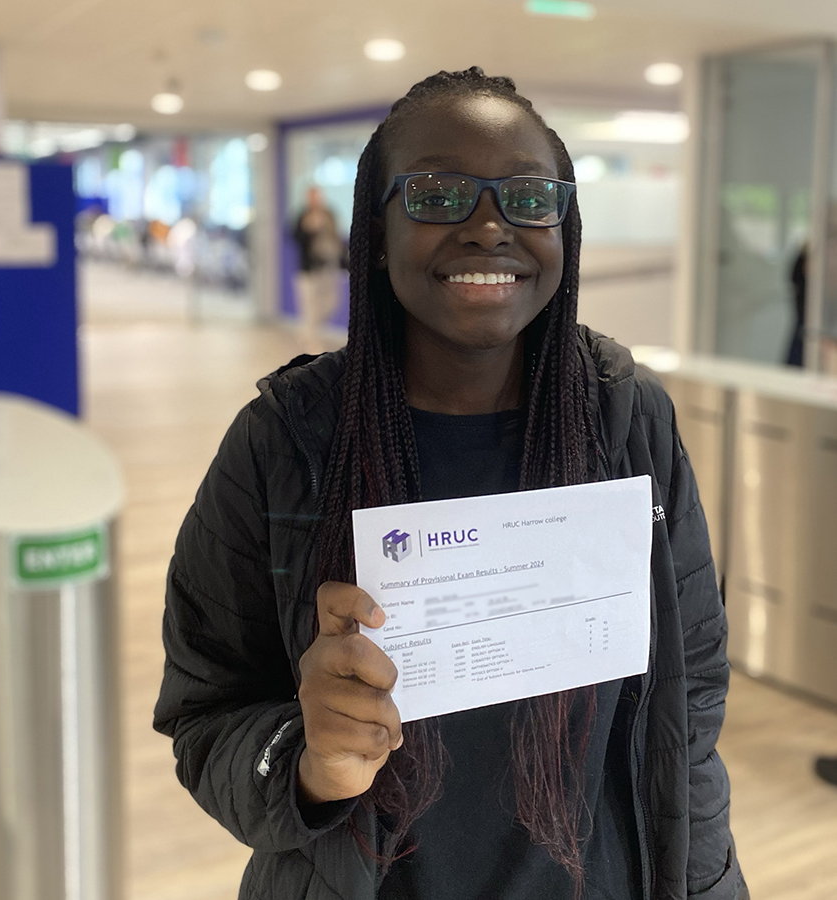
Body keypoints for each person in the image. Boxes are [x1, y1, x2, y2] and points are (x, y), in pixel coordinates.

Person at [154, 68, 749, 900]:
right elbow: (205, 712)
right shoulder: (286, 442)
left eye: (528, 198)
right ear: (376, 225)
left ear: (565, 224)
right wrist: (310, 760)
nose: (488, 227)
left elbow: (688, 698)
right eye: (438, 195)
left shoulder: (627, 418)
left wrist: (710, 884)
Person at [292, 185, 347, 352]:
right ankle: (310, 341)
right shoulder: (302, 216)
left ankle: (308, 331)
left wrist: (344, 262)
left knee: (332, 303)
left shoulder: (329, 214)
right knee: (308, 307)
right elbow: (295, 238)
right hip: (308, 269)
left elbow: (337, 239)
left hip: (329, 267)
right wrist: (307, 229)